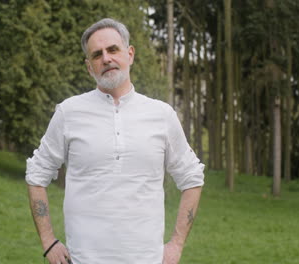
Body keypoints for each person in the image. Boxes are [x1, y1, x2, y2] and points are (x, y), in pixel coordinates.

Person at [26, 18, 205, 264]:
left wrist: (176, 245)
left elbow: (192, 177)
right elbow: (36, 174)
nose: (106, 58)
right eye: (97, 55)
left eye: (113, 50)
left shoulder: (161, 115)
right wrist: (49, 242)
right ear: (89, 67)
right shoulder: (69, 113)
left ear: (130, 54)